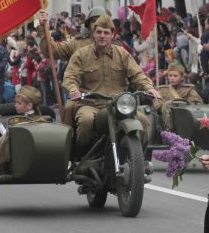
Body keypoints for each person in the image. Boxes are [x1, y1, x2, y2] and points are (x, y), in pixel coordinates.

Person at [62, 14, 162, 149]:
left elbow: (137, 74)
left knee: (143, 121)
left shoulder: (122, 54)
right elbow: (70, 76)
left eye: (106, 32)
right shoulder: (81, 54)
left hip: (118, 105)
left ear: (112, 35)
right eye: (99, 32)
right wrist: (73, 89)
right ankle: (83, 154)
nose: (102, 36)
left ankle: (140, 158)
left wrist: (149, 87)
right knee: (85, 121)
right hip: (91, 104)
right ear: (93, 33)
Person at [38, 7, 107, 127]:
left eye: (101, 20)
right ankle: (72, 142)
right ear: (88, 24)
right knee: (78, 116)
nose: (97, 24)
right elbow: (52, 51)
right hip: (84, 99)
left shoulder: (117, 46)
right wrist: (44, 29)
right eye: (93, 21)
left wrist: (149, 87)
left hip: (111, 99)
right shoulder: (78, 43)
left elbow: (134, 72)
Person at [0, 85, 45, 169]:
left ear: (29, 105)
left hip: (20, 158)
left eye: (19, 103)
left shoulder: (23, 121)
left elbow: (10, 140)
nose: (15, 105)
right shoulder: (42, 119)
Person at [153, 63, 203, 130]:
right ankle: (170, 131)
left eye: (175, 76)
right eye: (170, 76)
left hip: (185, 118)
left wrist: (183, 104)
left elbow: (197, 102)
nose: (172, 78)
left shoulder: (188, 89)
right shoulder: (162, 90)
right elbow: (157, 104)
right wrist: (167, 105)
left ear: (182, 77)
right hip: (167, 118)